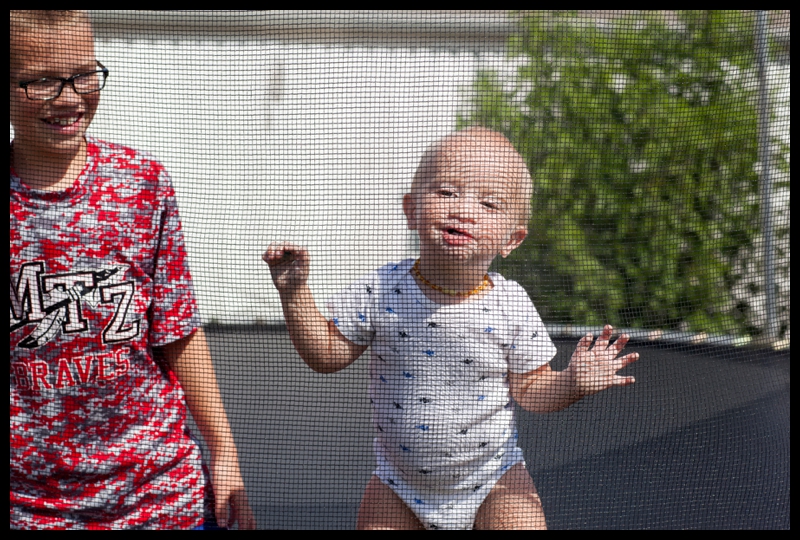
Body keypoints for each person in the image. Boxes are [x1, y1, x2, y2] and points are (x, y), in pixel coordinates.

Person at [264, 126, 640, 530]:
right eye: (446, 193)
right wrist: (295, 293)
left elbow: (532, 392)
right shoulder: (381, 290)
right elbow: (326, 355)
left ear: (512, 239)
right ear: (411, 210)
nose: (463, 210)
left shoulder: (510, 304)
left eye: (489, 203)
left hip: (494, 478)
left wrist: (573, 382)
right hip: (399, 485)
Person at [10, 10, 254, 529]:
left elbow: (177, 328)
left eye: (83, 74)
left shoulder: (141, 184)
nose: (70, 98)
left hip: (161, 494)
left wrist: (224, 449)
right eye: (43, 81)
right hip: (30, 509)